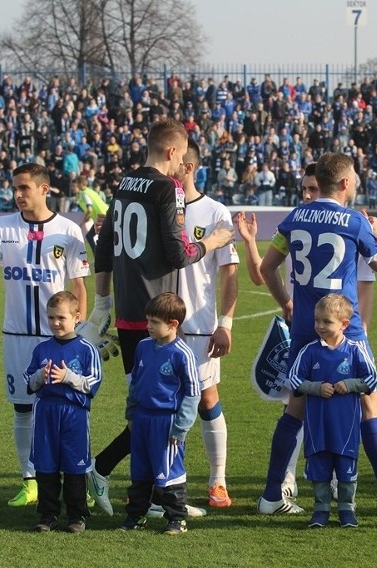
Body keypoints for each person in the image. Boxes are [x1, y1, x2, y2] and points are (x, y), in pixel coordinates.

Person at [88, 117, 232, 516]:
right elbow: (178, 254)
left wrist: (102, 304)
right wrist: (214, 240)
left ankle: (150, 494)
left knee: (152, 406)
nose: (181, 166)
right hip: (155, 314)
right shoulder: (165, 188)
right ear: (172, 151)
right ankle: (101, 467)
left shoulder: (123, 183)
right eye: (181, 157)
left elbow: (103, 245)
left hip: (130, 311)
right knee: (155, 409)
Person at [256, 152, 377, 517]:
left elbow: (266, 267)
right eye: (354, 177)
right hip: (344, 328)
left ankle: (271, 495)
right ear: (343, 183)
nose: (355, 182)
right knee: (370, 402)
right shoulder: (354, 221)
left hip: (306, 325)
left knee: (296, 404)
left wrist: (288, 304)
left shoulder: (295, 217)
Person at [0, 162, 90, 507]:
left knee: (66, 406)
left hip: (54, 336)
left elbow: (79, 285)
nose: (18, 195)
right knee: (23, 409)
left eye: (25, 188)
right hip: (16, 334)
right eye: (15, 188)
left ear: (45, 189)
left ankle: (73, 474)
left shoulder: (68, 230)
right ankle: (30, 480)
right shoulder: (2, 226)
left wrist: (79, 330)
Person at [173, 139, 238, 508]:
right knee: (166, 403)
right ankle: (169, 481)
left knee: (206, 399)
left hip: (199, 326)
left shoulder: (215, 212)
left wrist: (225, 323)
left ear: (189, 167)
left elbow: (229, 274)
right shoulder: (159, 207)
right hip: (160, 328)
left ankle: (218, 482)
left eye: (177, 163)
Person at [289, 294, 377, 529]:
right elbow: (294, 379)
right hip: (317, 425)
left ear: (344, 325)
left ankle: (347, 510)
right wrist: (315, 388)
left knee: (346, 468)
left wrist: (349, 385)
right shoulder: (309, 351)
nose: (320, 326)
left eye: (326, 322)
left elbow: (372, 378)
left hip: (345, 425)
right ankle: (321, 510)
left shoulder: (355, 350)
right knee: (319, 467)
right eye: (317, 320)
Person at [119, 293, 200, 535]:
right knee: (140, 471)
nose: (148, 326)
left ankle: (177, 519)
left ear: (173, 324)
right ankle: (136, 516)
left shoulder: (182, 354)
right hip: (142, 419)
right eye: (148, 320)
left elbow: (193, 393)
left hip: (166, 422)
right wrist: (131, 415)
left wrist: (181, 427)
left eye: (154, 322)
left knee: (170, 472)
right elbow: (136, 383)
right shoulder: (143, 347)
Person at [24, 291, 103, 533]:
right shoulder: (42, 349)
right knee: (46, 466)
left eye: (61, 318)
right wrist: (41, 376)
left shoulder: (87, 349)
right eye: (51, 318)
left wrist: (68, 377)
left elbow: (95, 381)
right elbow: (28, 380)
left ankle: (77, 515)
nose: (55, 323)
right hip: (46, 413)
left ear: (77, 318)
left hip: (74, 414)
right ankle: (47, 515)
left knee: (74, 466)